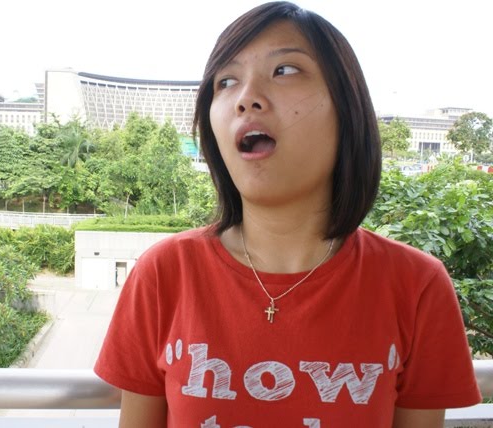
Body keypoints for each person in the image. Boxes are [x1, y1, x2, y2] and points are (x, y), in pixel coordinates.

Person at [94, 2, 482, 427]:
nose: (246, 98)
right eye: (226, 81)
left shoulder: (417, 287)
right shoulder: (164, 274)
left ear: (347, 108)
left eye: (285, 70)